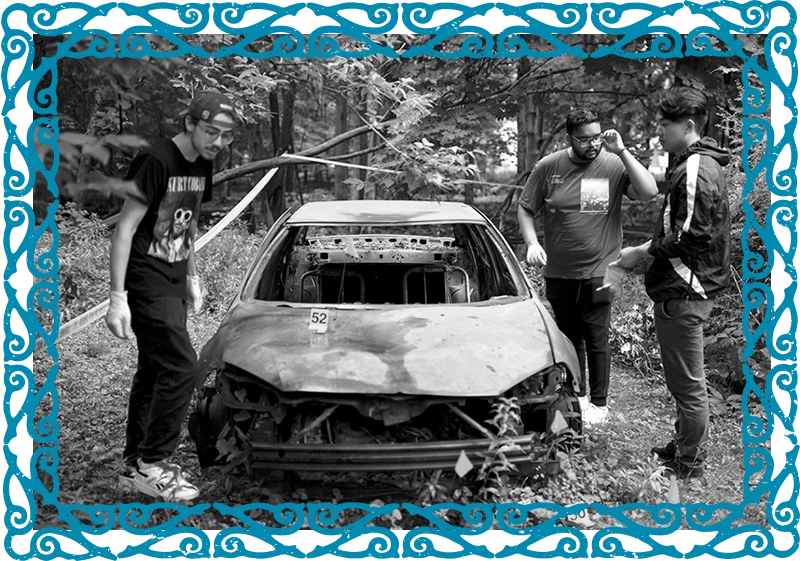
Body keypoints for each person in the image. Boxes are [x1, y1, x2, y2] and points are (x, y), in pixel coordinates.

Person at [105, 90, 236, 501]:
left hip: (174, 278)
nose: (217, 142)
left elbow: (187, 221)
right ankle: (153, 464)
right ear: (191, 124)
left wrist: (193, 276)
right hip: (146, 279)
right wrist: (117, 296)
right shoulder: (157, 160)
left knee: (154, 371)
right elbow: (124, 228)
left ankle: (132, 466)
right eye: (211, 132)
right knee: (181, 369)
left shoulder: (202, 163)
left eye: (225, 135)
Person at [614, 88, 730, 479]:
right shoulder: (690, 164)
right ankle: (683, 445)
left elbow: (691, 236)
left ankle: (690, 462)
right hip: (684, 288)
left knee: (688, 385)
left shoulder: (698, 169)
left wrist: (641, 252)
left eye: (665, 124)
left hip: (685, 289)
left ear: (690, 126)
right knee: (682, 381)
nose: (659, 130)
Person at [517, 107, 658, 425]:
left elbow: (649, 191)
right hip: (559, 271)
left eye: (596, 137)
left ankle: (599, 403)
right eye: (584, 139)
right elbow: (526, 208)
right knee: (569, 336)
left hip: (603, 268)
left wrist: (621, 150)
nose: (592, 144)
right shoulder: (549, 167)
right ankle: (576, 395)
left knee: (596, 333)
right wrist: (532, 243)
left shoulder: (612, 164)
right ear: (570, 138)